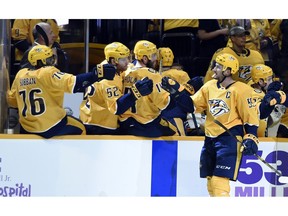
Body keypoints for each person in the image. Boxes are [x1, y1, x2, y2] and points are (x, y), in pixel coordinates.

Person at [161, 53, 259, 196]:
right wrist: (178, 91)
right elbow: (191, 106)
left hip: (229, 138)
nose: (214, 69)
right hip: (210, 138)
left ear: (228, 71)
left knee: (219, 182)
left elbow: (250, 117)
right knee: (211, 181)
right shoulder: (209, 86)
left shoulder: (241, 90)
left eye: (218, 67)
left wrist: (251, 136)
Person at [6, 45, 116, 138]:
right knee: (81, 128)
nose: (53, 61)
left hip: (27, 127)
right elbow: (74, 83)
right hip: (50, 126)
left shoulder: (20, 74)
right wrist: (96, 74)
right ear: (44, 61)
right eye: (50, 59)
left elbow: (12, 101)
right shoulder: (48, 72)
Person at [79, 42, 153, 135]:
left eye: (128, 57)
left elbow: (131, 66)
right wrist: (135, 93)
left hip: (94, 117)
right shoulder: (108, 80)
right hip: (98, 124)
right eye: (123, 59)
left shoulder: (110, 65)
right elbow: (117, 108)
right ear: (114, 61)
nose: (128, 62)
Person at [119, 40, 180, 137]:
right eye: (153, 55)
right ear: (144, 58)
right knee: (175, 131)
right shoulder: (152, 74)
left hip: (125, 122)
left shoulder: (125, 71)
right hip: (145, 124)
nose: (156, 59)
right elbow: (164, 104)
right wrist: (176, 95)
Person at [249, 64, 285, 137]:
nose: (271, 81)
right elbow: (263, 115)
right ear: (260, 82)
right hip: (257, 136)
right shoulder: (256, 95)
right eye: (269, 79)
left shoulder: (251, 84)